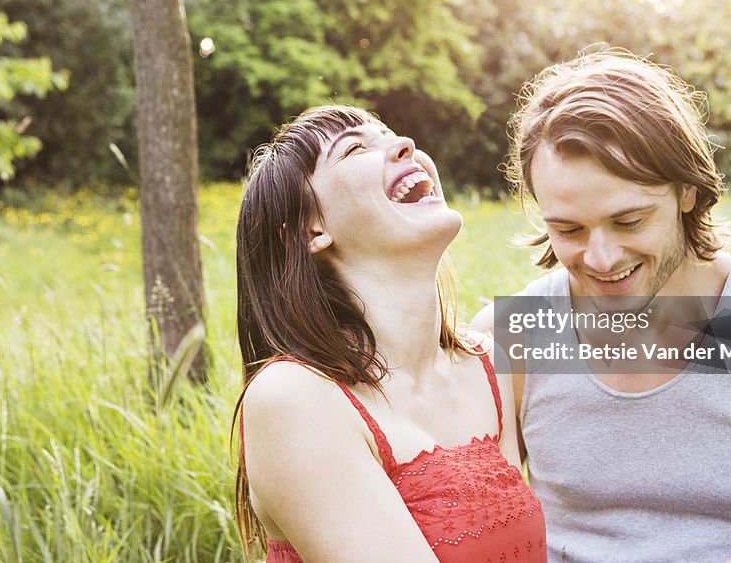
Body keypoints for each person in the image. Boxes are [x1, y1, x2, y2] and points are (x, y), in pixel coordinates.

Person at [470, 50, 731, 563]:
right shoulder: (511, 338)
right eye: (568, 229)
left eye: (629, 221)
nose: (601, 258)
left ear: (688, 192)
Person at [233, 105, 547, 563]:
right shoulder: (293, 398)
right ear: (311, 229)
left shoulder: (486, 364)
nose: (406, 145)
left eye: (392, 132)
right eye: (356, 148)